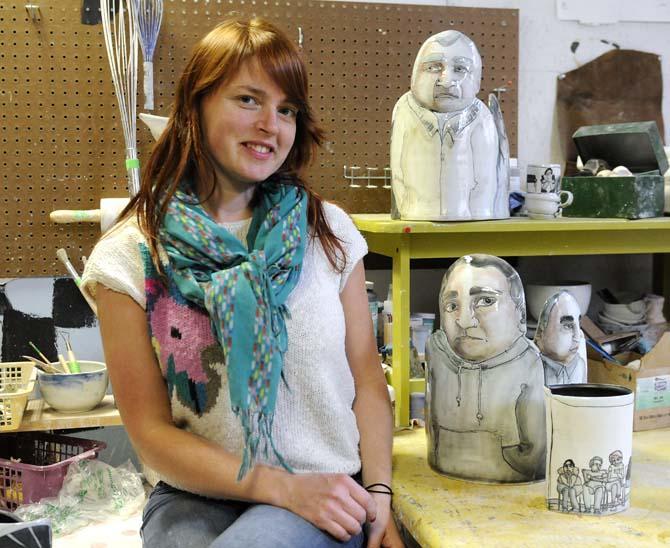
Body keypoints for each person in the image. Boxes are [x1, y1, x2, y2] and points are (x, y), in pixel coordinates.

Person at [81, 18, 400, 548]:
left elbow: (367, 380)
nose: (270, 126)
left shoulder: (327, 232)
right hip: (192, 494)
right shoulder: (129, 257)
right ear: (195, 107)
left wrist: (380, 493)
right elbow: (151, 436)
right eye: (248, 100)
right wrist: (276, 488)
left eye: (286, 110)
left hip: (322, 487)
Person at [425, 254, 546, 483]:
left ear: (520, 313)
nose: (465, 321)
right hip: (443, 480)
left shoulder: (527, 362)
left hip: (511, 489)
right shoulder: (437, 352)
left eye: (486, 301)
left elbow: (534, 453)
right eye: (452, 306)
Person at [390, 30, 508, 221]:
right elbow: (398, 170)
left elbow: (485, 178)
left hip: (472, 214)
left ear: (476, 81)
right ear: (415, 76)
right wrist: (405, 207)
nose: (446, 81)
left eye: (460, 69)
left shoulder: (481, 115)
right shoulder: (405, 109)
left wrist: (479, 210)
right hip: (414, 212)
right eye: (434, 67)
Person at [534, 290, 587, 386]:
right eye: (568, 326)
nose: (577, 337)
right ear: (542, 330)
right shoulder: (532, 368)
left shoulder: (580, 365)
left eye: (579, 325)